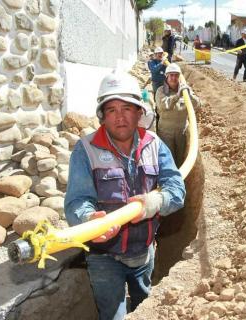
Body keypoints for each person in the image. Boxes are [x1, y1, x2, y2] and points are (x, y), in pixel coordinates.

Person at [64, 70, 186, 320]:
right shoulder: (86, 150)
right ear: (102, 116)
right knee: (113, 316)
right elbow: (76, 201)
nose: (120, 117)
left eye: (127, 109)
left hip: (144, 253)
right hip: (104, 258)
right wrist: (88, 219)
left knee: (146, 309)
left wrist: (155, 201)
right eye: (111, 110)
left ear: (139, 112)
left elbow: (176, 188)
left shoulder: (154, 144)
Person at [155, 63, 201, 167]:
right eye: (171, 75)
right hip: (166, 133)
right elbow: (163, 106)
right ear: (167, 76)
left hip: (181, 133)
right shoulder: (160, 91)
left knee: (180, 159)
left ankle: (180, 180)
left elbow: (198, 105)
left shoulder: (185, 90)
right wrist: (177, 96)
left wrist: (189, 95)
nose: (174, 78)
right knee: (167, 160)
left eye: (176, 75)